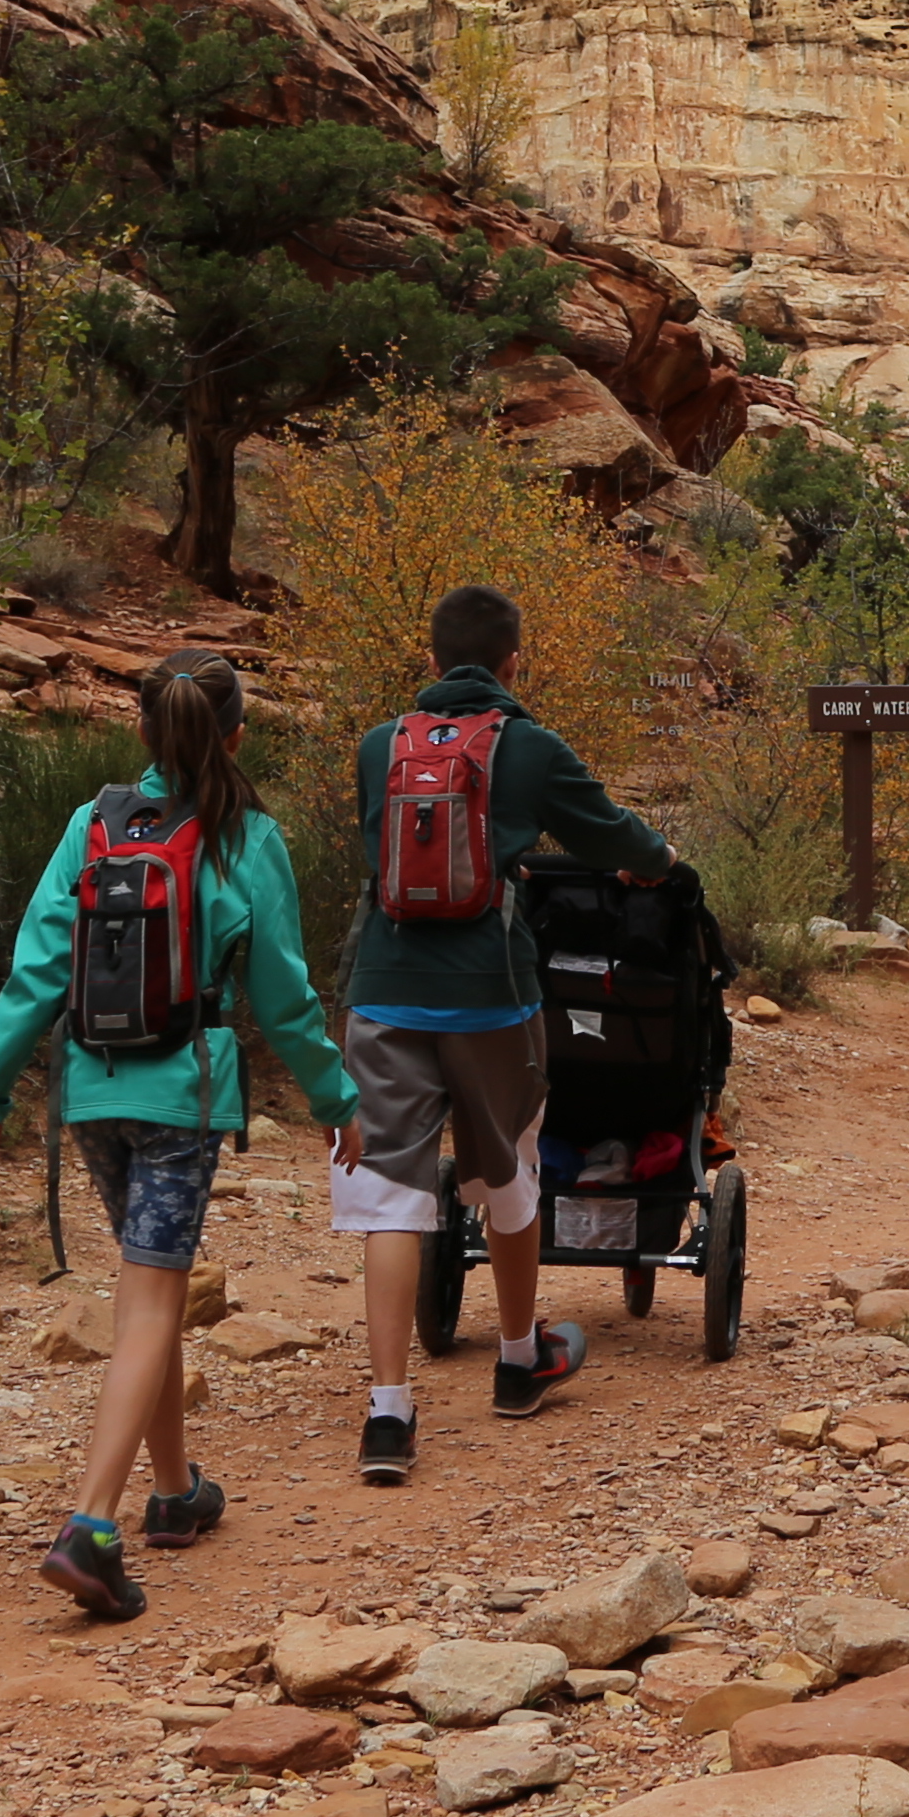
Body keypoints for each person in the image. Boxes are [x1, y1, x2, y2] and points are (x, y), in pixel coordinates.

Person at [0, 650, 351, 1623]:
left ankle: (173, 1494)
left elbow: (37, 971)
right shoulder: (246, 839)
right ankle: (91, 1526)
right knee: (151, 1297)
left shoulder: (93, 825)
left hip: (93, 1092)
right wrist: (336, 1100)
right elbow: (284, 1000)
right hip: (181, 1098)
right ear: (235, 736)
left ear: (144, 736)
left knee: (145, 1277)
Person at [333, 580, 670, 1484]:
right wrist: (660, 861)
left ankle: (389, 1418)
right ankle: (519, 1359)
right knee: (508, 1169)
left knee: (394, 1205)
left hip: (383, 991)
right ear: (513, 662)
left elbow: (375, 854)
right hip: (493, 993)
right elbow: (614, 838)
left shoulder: (379, 748)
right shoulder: (529, 747)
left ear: (430, 658)